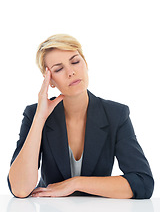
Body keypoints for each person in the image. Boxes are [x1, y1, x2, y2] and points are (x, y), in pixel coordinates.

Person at [8, 34, 154, 199]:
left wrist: (75, 183)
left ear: (85, 63)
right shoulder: (33, 115)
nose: (71, 72)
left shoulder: (116, 114)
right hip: (50, 208)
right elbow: (20, 189)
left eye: (75, 61)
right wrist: (40, 118)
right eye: (58, 69)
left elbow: (143, 183)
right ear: (50, 81)